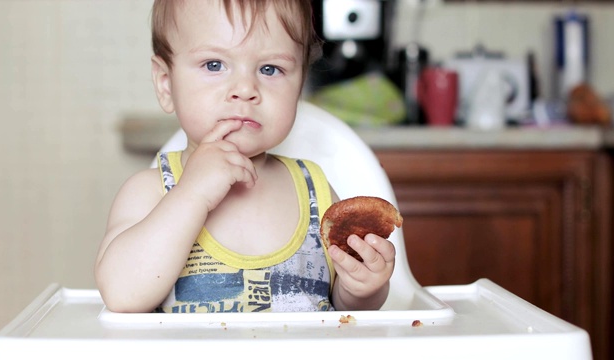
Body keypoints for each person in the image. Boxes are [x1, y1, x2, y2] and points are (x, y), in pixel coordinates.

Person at [94, 0, 396, 313]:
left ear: (300, 84)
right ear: (166, 84)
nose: (245, 89)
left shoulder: (316, 194)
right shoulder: (151, 192)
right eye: (214, 65)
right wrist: (191, 194)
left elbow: (340, 312)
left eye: (270, 69)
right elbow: (121, 295)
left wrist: (361, 290)